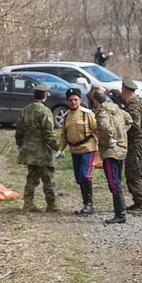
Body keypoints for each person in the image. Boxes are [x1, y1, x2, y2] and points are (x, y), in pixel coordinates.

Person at [15, 83, 61, 213]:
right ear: (45, 96)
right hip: (43, 151)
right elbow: (48, 133)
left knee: (31, 177)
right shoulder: (45, 111)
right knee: (48, 178)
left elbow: (19, 131)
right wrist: (57, 147)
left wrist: (21, 145)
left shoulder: (25, 110)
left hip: (28, 150)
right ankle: (51, 204)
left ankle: (28, 203)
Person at [56, 87, 99, 215]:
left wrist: (105, 145)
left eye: (75, 99)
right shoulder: (66, 116)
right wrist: (60, 149)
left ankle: (89, 204)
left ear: (80, 100)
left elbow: (97, 130)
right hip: (74, 150)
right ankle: (85, 203)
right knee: (79, 178)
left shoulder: (87, 114)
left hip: (87, 147)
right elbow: (64, 135)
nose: (73, 102)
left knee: (85, 175)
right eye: (70, 100)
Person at [90, 87, 129, 224]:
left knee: (113, 182)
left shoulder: (102, 112)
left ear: (95, 101)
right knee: (117, 179)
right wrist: (122, 136)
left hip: (110, 151)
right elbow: (129, 120)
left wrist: (108, 140)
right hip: (121, 149)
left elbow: (105, 128)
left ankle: (120, 214)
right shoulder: (116, 109)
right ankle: (120, 212)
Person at [118, 78, 142, 213]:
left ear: (125, 90)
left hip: (135, 144)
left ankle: (141, 204)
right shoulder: (135, 102)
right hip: (134, 144)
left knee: (134, 174)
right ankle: (137, 202)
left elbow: (135, 125)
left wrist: (121, 129)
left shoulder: (133, 106)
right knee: (131, 173)